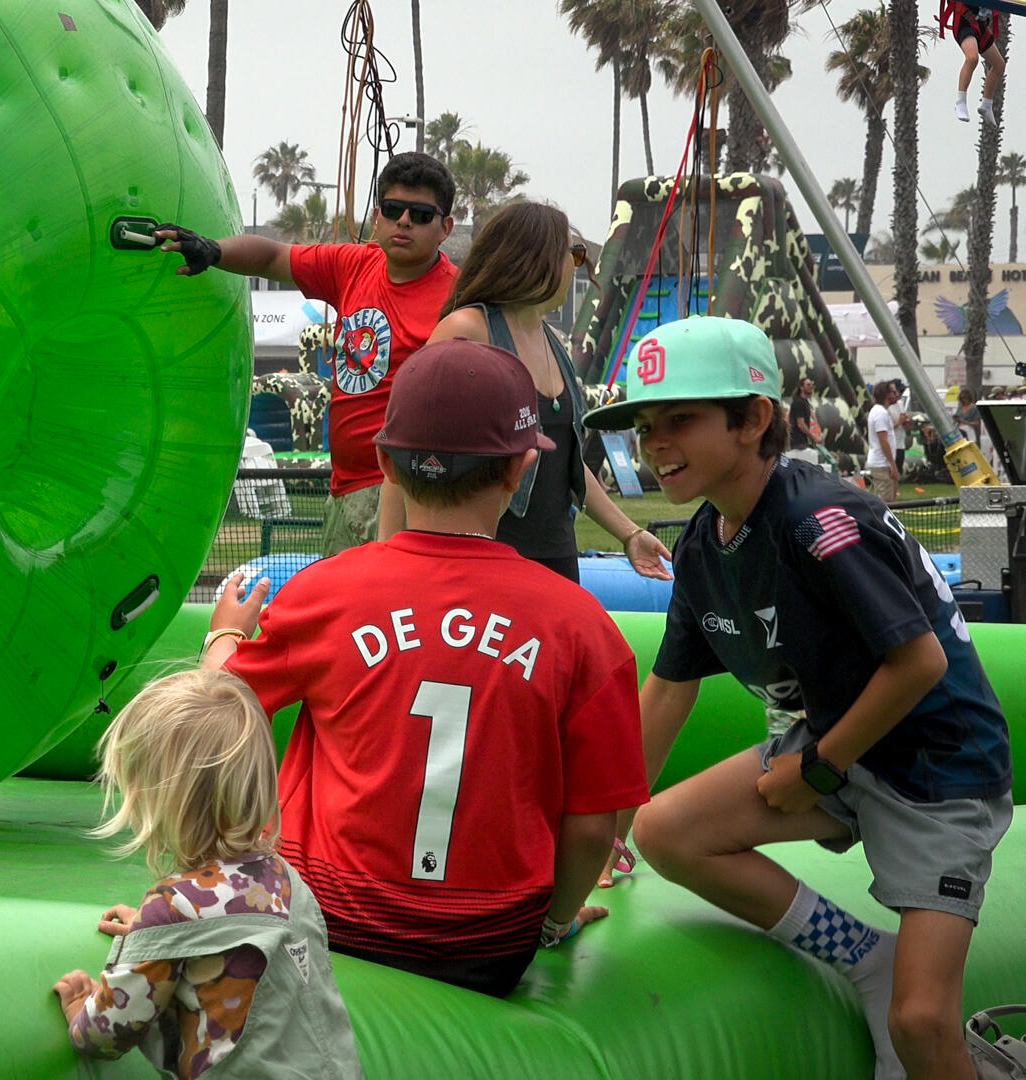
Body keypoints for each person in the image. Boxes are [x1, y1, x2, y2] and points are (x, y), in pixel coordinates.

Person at [582, 316, 1013, 1080]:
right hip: (837, 747)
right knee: (667, 831)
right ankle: (863, 960)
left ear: (752, 421)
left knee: (921, 1022)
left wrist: (816, 766)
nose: (654, 444)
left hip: (936, 767)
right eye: (646, 427)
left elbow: (917, 661)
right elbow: (666, 693)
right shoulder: (704, 543)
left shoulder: (818, 519)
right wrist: (598, 838)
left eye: (680, 419)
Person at [202, 338, 648, 997]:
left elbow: (214, 711)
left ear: (384, 460)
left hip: (321, 918)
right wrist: (550, 924)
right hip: (489, 940)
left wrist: (223, 640)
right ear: (520, 468)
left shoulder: (325, 594)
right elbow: (593, 828)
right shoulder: (583, 626)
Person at [53, 668, 363, 1079]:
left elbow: (107, 1034)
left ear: (158, 799)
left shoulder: (173, 906)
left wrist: (81, 1011)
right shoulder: (289, 881)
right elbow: (232, 941)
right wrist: (154, 937)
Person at [154, 152, 459, 555]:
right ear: (378, 214)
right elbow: (273, 257)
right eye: (392, 208)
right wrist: (213, 250)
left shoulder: (458, 298)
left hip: (407, 496)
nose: (404, 221)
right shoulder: (353, 265)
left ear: (445, 227)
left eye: (420, 214)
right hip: (342, 488)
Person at [425, 200, 673, 582]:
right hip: (487, 558)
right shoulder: (467, 330)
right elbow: (411, 450)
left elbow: (567, 465)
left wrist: (631, 533)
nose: (578, 266)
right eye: (572, 254)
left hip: (556, 558)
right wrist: (395, 557)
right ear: (535, 258)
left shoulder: (553, 342)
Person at [943, 1, 1007, 124]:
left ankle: (986, 104)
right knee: (972, 58)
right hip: (964, 22)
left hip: (980, 25)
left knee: (999, 65)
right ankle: (960, 102)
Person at [865, 379, 904, 502]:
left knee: (891, 499)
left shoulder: (881, 412)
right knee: (886, 502)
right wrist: (892, 465)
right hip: (881, 464)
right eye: (893, 392)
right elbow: (883, 441)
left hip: (883, 462)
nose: (896, 394)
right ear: (886, 394)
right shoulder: (880, 413)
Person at [787, 374, 825, 465]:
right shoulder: (798, 402)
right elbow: (801, 424)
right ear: (801, 387)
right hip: (798, 443)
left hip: (802, 442)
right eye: (808, 385)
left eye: (811, 384)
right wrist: (813, 436)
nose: (811, 386)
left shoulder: (805, 402)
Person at [957, 385, 983, 450]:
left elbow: (976, 422)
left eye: (965, 398)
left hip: (969, 430)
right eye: (962, 398)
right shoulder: (960, 408)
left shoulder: (973, 408)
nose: (963, 400)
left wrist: (965, 422)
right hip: (960, 429)